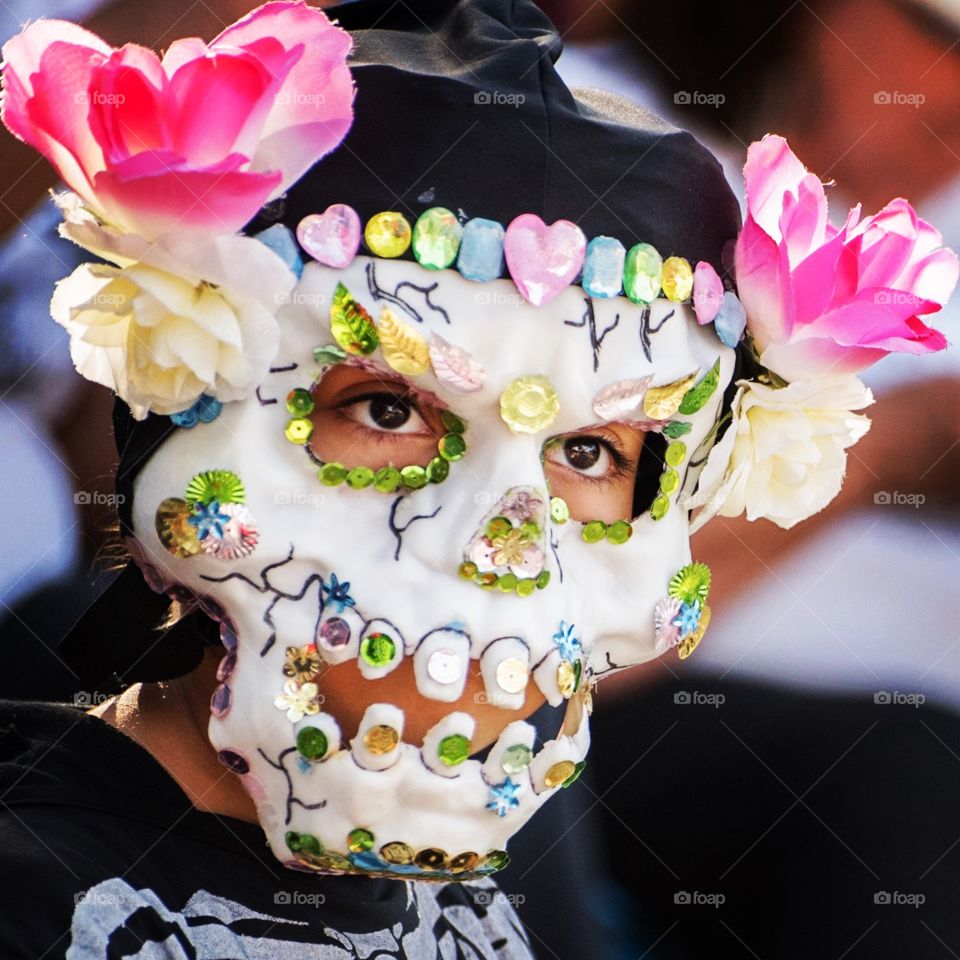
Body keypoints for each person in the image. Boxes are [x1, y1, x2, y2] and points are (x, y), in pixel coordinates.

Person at [0, 0, 953, 957]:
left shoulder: (492, 911)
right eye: (387, 409)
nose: (502, 542)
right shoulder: (38, 897)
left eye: (588, 453)